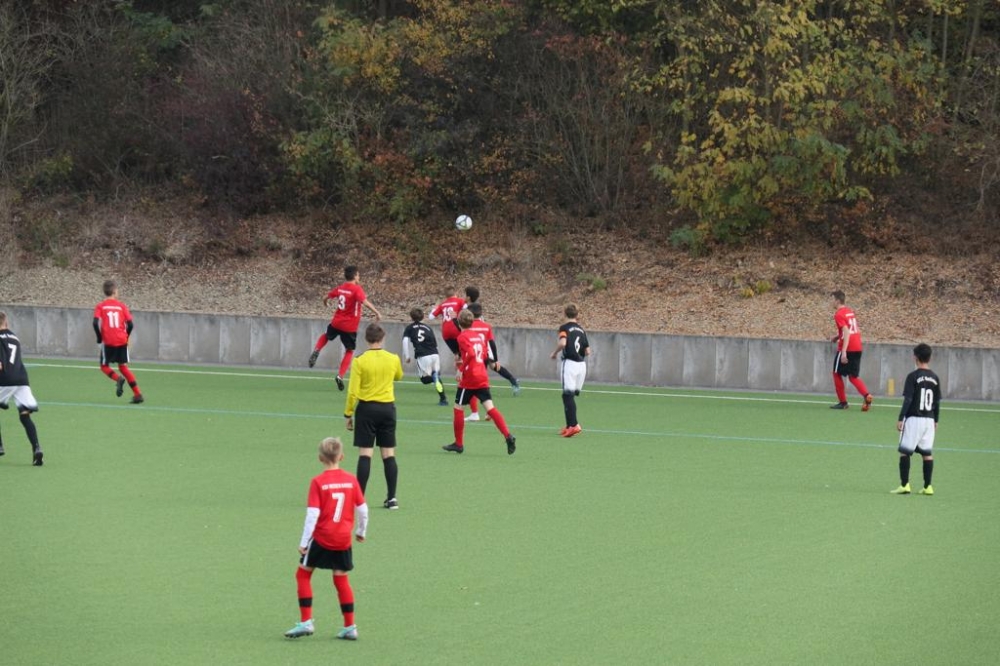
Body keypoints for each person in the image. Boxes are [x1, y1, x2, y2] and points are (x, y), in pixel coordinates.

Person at [284, 437, 368, 641]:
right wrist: (361, 531)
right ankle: (350, 626)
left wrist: (304, 542)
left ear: (320, 458)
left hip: (322, 537)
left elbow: (312, 514)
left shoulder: (318, 482)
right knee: (341, 578)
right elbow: (363, 509)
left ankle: (306, 621)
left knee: (303, 574)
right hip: (343, 539)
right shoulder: (351, 480)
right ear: (342, 456)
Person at [344, 323, 404, 509]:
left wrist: (348, 413)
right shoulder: (393, 358)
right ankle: (392, 498)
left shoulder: (359, 361)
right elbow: (398, 376)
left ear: (366, 339)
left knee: (365, 454)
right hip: (387, 409)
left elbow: (353, 391)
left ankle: (360, 499)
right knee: (388, 454)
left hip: (366, 409)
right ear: (383, 338)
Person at [442, 310, 516, 455]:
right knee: (490, 408)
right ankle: (508, 436)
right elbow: (484, 354)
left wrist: (461, 369)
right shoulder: (477, 336)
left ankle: (458, 444)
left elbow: (470, 353)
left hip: (470, 377)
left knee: (458, 408)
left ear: (459, 322)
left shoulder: (461, 337)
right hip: (482, 374)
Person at [309, 266, 382, 391]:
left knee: (326, 335)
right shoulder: (356, 289)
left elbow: (326, 297)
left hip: (336, 322)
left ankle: (317, 350)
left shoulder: (341, 288)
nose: (359, 277)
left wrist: (325, 302)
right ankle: (340, 376)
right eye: (358, 275)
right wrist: (377, 312)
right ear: (355, 276)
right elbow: (365, 302)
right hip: (350, 326)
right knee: (349, 351)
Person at [891, 343, 941, 495]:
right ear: (930, 358)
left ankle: (905, 485)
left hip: (914, 419)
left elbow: (908, 399)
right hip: (929, 420)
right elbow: (937, 402)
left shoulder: (913, 376)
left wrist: (901, 417)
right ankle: (928, 487)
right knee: (927, 453)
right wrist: (936, 420)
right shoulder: (935, 377)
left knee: (905, 451)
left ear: (916, 357)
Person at [464, 302, 521, 421]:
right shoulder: (486, 326)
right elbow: (491, 343)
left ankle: (476, 413)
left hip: (474, 356)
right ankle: (512, 380)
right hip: (484, 353)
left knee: (474, 383)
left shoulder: (468, 326)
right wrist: (495, 359)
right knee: (491, 370)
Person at [0, 311, 44, 466]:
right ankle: (37, 449)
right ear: (6, 322)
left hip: (6, 379)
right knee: (25, 416)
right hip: (22, 379)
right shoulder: (15, 338)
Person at [93, 280, 144, 404]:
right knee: (123, 367)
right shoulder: (122, 306)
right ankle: (138, 394)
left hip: (108, 341)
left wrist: (99, 337)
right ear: (115, 291)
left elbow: (95, 323)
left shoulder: (101, 306)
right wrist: (126, 337)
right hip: (121, 340)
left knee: (104, 366)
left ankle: (118, 379)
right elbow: (130, 324)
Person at [829, 290, 873, 411]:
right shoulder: (849, 311)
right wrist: (837, 337)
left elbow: (847, 332)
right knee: (853, 376)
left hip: (847, 347)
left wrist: (843, 351)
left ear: (837, 301)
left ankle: (843, 402)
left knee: (836, 373)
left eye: (832, 299)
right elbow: (851, 329)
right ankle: (867, 395)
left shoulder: (838, 314)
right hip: (857, 347)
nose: (831, 302)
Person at [551, 304, 590, 437]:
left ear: (564, 313)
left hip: (570, 364)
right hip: (582, 366)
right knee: (570, 396)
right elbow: (588, 351)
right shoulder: (581, 330)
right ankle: (569, 426)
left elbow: (563, 343)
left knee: (567, 395)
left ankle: (574, 425)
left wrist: (554, 353)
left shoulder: (564, 328)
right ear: (577, 314)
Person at [402, 308, 447, 406]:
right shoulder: (428, 328)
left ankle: (435, 378)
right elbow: (435, 343)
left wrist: (407, 356)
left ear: (411, 317)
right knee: (436, 377)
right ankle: (443, 399)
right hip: (434, 354)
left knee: (425, 380)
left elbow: (405, 341)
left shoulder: (410, 328)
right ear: (422, 317)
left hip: (423, 355)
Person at [428, 286, 466, 356]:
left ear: (445, 295)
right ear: (455, 292)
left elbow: (430, 317)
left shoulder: (442, 304)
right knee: (463, 353)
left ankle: (457, 359)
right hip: (456, 330)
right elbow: (467, 308)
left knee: (456, 354)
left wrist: (434, 308)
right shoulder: (459, 301)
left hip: (446, 333)